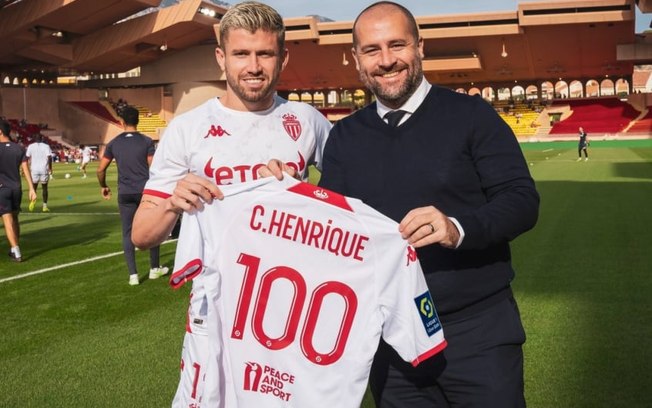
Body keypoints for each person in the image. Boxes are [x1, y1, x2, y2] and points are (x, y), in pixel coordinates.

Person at [317, 2, 540, 407]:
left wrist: (457, 228)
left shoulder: (471, 115)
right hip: (391, 341)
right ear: (356, 59)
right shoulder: (344, 137)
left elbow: (522, 200)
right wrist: (281, 190)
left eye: (397, 45)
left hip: (477, 332)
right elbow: (332, 231)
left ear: (421, 46)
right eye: (372, 50)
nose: (386, 61)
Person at [130, 2, 331, 406]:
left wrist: (300, 193)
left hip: (293, 310)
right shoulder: (188, 129)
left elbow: (346, 199)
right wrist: (174, 202)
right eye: (241, 53)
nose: (253, 66)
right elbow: (141, 235)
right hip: (215, 308)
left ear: (282, 57)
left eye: (265, 54)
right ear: (221, 58)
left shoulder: (308, 121)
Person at [96, 106, 169, 286]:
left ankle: (133, 276)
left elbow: (100, 169)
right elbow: (153, 167)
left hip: (125, 192)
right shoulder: (146, 141)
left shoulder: (113, 143)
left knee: (127, 232)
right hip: (145, 191)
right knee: (152, 227)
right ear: (138, 120)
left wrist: (103, 185)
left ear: (121, 121)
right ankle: (153, 269)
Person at [0, 120, 37, 262]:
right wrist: (31, 189)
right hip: (17, 189)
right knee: (14, 218)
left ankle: (16, 251)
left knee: (7, 219)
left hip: (2, 189)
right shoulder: (19, 148)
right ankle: (14, 247)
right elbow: (26, 169)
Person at [25, 133, 53, 212]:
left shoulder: (30, 146)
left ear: (34, 139)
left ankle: (32, 202)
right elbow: (49, 157)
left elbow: (26, 157)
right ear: (42, 138)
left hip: (34, 169)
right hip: (43, 169)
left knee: (34, 188)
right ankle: (44, 206)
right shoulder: (46, 146)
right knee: (44, 188)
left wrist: (24, 168)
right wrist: (50, 168)